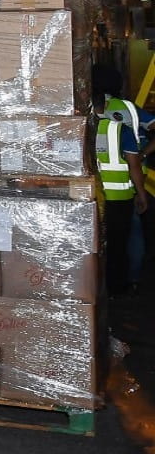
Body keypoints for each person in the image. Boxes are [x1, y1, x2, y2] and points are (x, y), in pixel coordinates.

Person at [94, 66, 149, 299]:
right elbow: (133, 164)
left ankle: (97, 287)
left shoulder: (85, 117)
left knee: (96, 245)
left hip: (94, 193)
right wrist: (142, 194)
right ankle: (121, 287)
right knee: (120, 244)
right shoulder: (122, 119)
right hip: (119, 196)